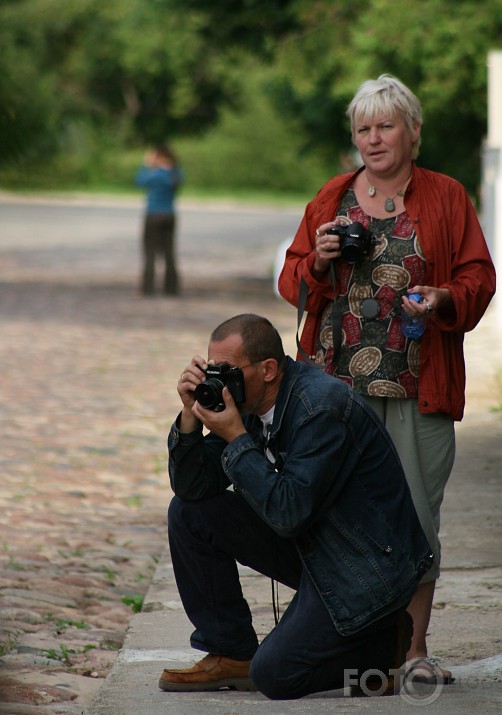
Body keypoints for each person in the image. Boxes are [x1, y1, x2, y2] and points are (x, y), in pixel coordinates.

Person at [278, 74, 496, 683]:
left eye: (385, 126)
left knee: (417, 516)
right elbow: (291, 282)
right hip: (335, 389)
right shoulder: (331, 197)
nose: (373, 139)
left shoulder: (447, 196)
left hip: (419, 385)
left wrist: (445, 296)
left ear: (413, 132)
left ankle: (413, 649)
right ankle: (347, 643)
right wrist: (316, 261)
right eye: (363, 128)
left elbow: (481, 278)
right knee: (334, 514)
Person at [159, 313, 434, 699]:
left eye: (228, 370)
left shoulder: (319, 408)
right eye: (212, 369)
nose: (218, 382)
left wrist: (236, 437)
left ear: (268, 369)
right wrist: (190, 418)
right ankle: (231, 651)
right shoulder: (251, 402)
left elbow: (288, 514)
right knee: (189, 513)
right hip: (316, 546)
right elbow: (193, 487)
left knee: (275, 676)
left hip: (365, 568)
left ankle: (381, 649)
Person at [135, 145, 183, 296]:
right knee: (169, 252)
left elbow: (139, 181)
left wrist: (146, 165)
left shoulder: (155, 174)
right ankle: (171, 289)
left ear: (159, 158)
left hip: (153, 214)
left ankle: (148, 289)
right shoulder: (175, 173)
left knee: (150, 252)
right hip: (169, 215)